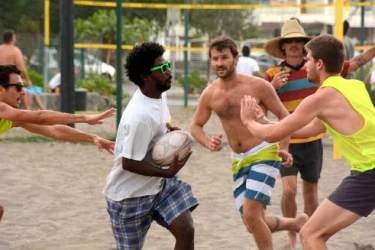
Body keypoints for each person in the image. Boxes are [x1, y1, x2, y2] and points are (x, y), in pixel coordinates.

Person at [240, 34, 375, 250]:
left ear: (320, 64)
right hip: (367, 171)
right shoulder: (355, 86)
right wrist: (264, 121)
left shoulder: (321, 98)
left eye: (309, 59)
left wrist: (248, 122)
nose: (306, 64)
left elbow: (273, 135)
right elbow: (312, 128)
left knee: (310, 235)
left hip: (369, 172)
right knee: (312, 232)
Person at [190, 35, 308, 250]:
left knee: (252, 216)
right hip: (238, 160)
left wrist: (282, 148)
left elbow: (285, 117)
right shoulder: (210, 94)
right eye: (215, 59)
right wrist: (207, 142)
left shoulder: (259, 86)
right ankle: (296, 223)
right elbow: (195, 126)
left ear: (236, 59)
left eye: (224, 57)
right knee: (250, 222)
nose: (219, 63)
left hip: (264, 152)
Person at [103, 42, 198, 250]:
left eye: (168, 65)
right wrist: (168, 172)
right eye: (162, 69)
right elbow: (128, 162)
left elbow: (157, 130)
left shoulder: (159, 95)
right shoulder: (139, 115)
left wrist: (170, 134)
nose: (169, 72)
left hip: (158, 186)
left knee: (186, 229)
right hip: (129, 198)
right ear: (146, 76)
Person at [0, 64, 116, 222]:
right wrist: (84, 118)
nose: (23, 92)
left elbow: (54, 130)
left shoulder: (10, 119)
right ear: (1, 89)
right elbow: (40, 117)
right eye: (18, 87)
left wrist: (92, 138)